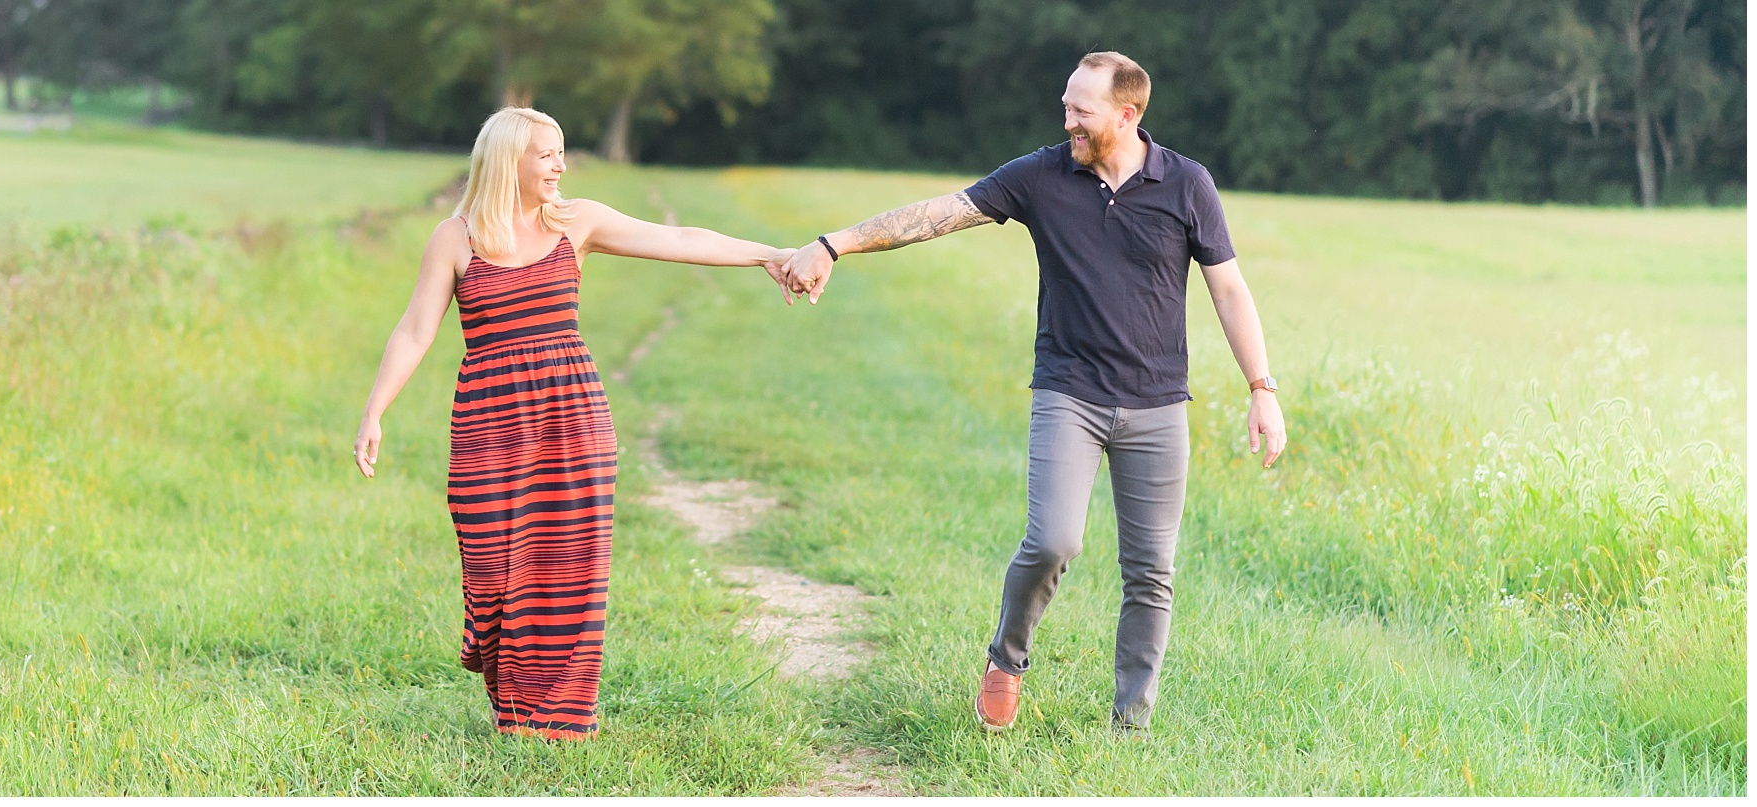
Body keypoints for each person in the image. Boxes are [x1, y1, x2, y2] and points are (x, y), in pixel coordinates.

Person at [779, 51, 1286, 735]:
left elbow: (1228, 287)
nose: (1067, 119)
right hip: (1069, 393)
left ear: (1127, 113)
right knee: (1052, 540)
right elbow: (939, 214)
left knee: (1151, 572)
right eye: (1066, 105)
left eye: (1082, 109)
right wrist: (833, 244)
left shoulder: (1187, 184)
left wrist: (1262, 386)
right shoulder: (1042, 175)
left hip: (1159, 403)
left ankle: (1130, 726)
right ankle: (1006, 658)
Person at [352, 106, 792, 741]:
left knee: (567, 564)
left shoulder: (575, 223)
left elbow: (678, 240)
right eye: (547, 154)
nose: (560, 164)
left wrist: (768, 255)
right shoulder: (455, 239)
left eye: (562, 151)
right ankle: (515, 703)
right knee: (494, 567)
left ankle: (554, 722)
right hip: (488, 427)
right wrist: (375, 411)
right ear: (509, 161)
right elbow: (416, 330)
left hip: (572, 419)